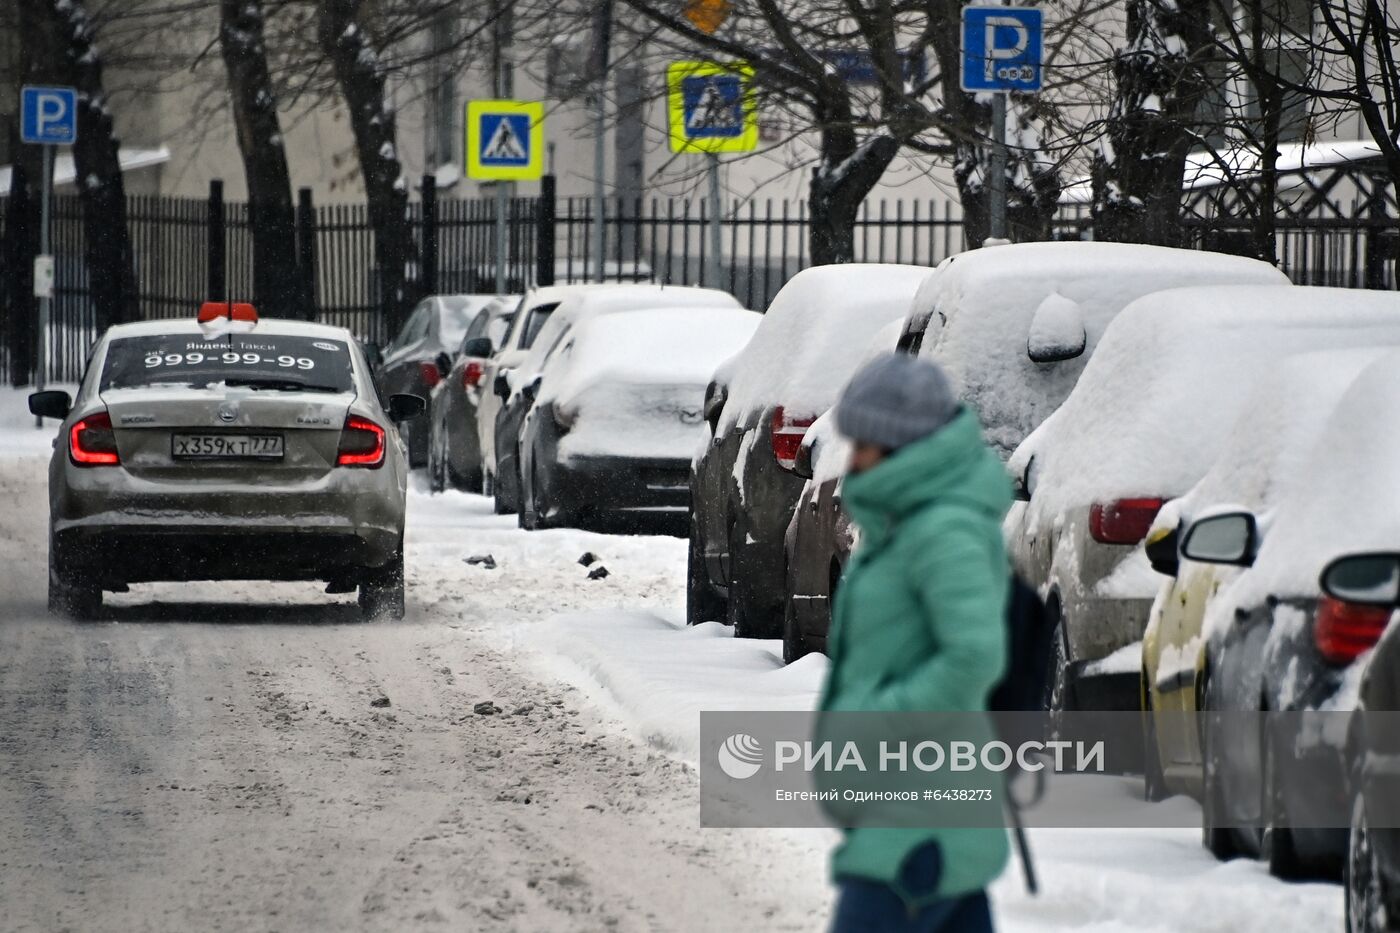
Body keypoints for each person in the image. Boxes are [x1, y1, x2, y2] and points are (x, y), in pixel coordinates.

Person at [820, 353, 1011, 933]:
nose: (853, 460)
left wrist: (874, 724)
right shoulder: (907, 526)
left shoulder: (941, 531)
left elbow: (974, 653)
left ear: (901, 447)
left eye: (865, 445)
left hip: (915, 819)